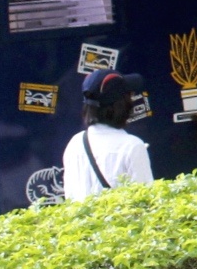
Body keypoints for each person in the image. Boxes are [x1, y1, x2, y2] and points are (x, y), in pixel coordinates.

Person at [62, 71, 154, 201]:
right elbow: (146, 203)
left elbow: (70, 199)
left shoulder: (75, 143)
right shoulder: (132, 146)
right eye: (129, 96)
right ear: (122, 105)